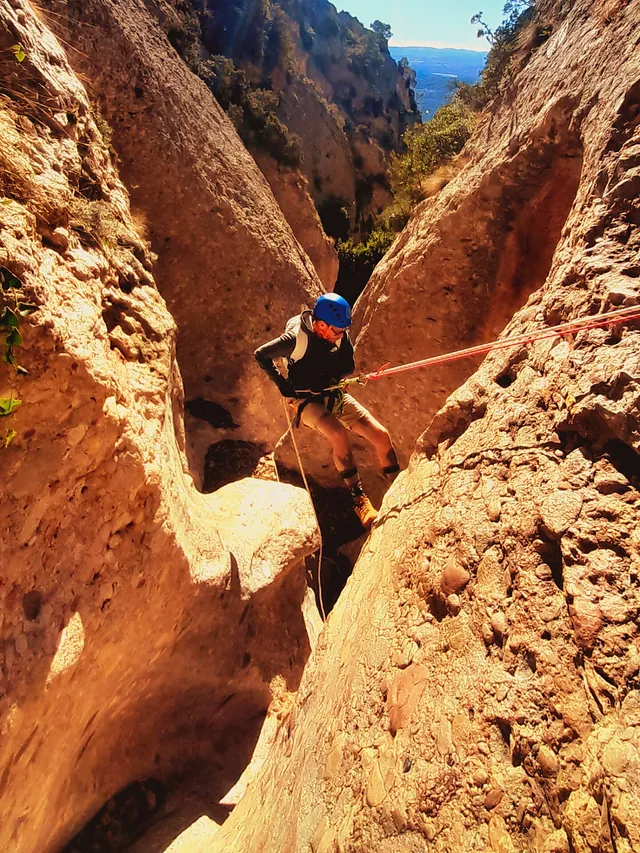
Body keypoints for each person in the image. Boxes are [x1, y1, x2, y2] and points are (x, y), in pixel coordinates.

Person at [254, 293, 399, 530]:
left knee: (381, 435)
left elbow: (348, 366)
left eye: (343, 331)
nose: (341, 335)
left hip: (333, 394)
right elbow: (261, 355)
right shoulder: (295, 338)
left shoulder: (339, 335)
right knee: (337, 433)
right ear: (321, 325)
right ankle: (358, 499)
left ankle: (397, 485)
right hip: (305, 400)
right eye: (337, 331)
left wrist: (330, 374)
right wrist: (284, 386)